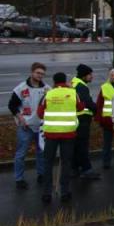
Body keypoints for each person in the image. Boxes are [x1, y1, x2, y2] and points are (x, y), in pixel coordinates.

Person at [39, 72, 84, 203]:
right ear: (66, 81)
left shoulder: (49, 94)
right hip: (68, 134)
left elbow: (40, 113)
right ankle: (65, 192)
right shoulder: (72, 93)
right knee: (66, 163)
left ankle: (47, 193)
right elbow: (81, 107)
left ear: (54, 81)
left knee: (48, 163)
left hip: (51, 134)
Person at [10, 62, 48, 190]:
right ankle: (19, 179)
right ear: (32, 72)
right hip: (25, 126)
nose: (40, 76)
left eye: (42, 74)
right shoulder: (21, 88)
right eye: (38, 73)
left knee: (41, 152)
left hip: (41, 126)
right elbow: (12, 105)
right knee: (21, 154)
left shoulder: (47, 89)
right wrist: (21, 119)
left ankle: (41, 175)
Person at [71, 64, 99, 179]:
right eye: (90, 75)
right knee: (82, 146)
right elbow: (87, 102)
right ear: (84, 75)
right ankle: (87, 170)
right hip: (81, 120)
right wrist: (96, 108)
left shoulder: (74, 83)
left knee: (76, 146)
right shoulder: (81, 86)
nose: (92, 77)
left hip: (76, 120)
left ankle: (75, 169)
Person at [95, 68, 114, 172]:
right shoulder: (105, 87)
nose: (113, 77)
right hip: (107, 120)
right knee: (107, 143)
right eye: (112, 75)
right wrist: (99, 119)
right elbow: (99, 104)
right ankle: (106, 162)